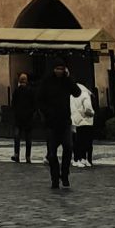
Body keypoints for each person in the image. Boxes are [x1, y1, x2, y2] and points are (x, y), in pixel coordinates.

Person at [40, 61, 75, 190]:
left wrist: (69, 78)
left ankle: (65, 174)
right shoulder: (47, 82)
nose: (59, 71)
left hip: (65, 122)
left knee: (69, 147)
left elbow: (76, 92)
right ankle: (55, 178)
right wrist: (46, 112)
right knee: (52, 154)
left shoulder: (67, 81)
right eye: (57, 68)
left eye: (61, 69)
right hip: (51, 123)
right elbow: (40, 99)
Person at [11, 69, 37, 165]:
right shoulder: (31, 91)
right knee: (28, 139)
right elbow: (34, 104)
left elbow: (13, 104)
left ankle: (17, 154)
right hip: (28, 118)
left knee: (17, 137)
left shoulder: (16, 91)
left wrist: (15, 113)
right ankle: (28, 156)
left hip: (19, 118)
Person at [69, 77, 97, 168]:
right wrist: (93, 113)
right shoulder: (85, 94)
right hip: (86, 121)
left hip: (75, 120)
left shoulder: (72, 94)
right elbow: (88, 109)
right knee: (88, 142)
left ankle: (77, 159)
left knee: (77, 141)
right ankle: (87, 159)